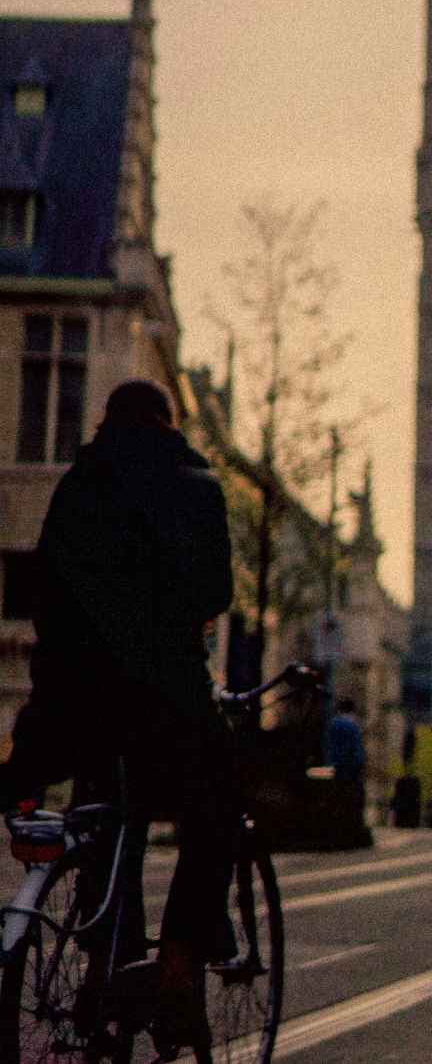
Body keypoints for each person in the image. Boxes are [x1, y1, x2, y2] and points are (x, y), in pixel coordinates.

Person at [0, 379, 239, 1051]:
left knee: (107, 818)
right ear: (170, 422)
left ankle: (108, 962)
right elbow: (215, 591)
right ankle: (178, 963)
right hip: (167, 702)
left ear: (108, 421)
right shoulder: (196, 481)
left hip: (80, 708)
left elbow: (44, 592)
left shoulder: (77, 485)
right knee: (215, 804)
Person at [324, 696, 368, 843]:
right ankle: (351, 831)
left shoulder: (332, 724)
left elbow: (328, 747)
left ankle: (335, 831)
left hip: (334, 769)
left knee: (335, 800)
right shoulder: (352, 725)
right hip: (350, 770)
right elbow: (357, 751)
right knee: (353, 801)